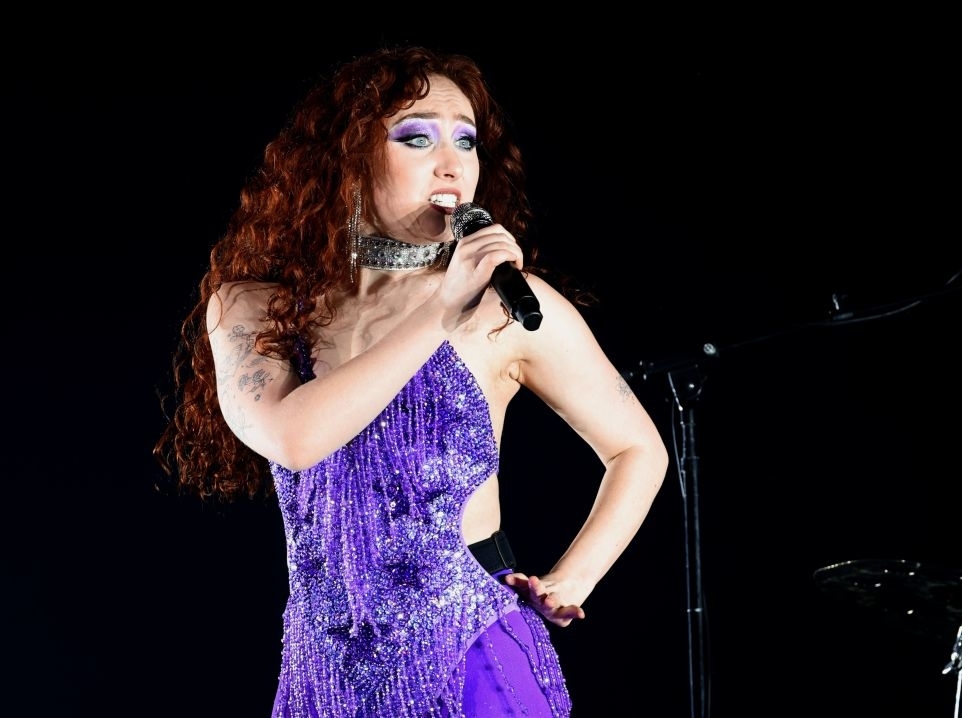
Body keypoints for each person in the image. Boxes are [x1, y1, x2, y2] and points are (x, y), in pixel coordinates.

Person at [153, 44, 669, 717]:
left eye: (467, 140)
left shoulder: (503, 308)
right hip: (324, 675)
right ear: (348, 155)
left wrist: (573, 578)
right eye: (417, 137)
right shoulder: (254, 305)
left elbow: (637, 448)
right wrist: (438, 310)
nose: (452, 162)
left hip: (473, 658)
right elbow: (292, 437)